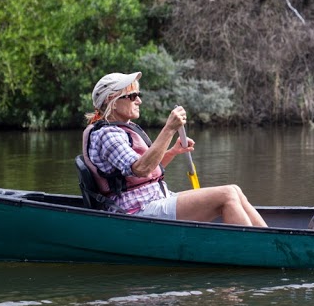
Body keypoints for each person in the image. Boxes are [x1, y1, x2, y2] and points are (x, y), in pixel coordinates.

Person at [82, 71, 267, 226]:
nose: (138, 101)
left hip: (154, 200)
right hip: (137, 211)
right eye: (131, 96)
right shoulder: (107, 134)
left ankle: (270, 240)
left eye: (138, 95)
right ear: (110, 101)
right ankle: (261, 250)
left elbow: (141, 172)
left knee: (234, 189)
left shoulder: (120, 129)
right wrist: (169, 129)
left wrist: (172, 152)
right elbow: (140, 169)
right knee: (227, 195)